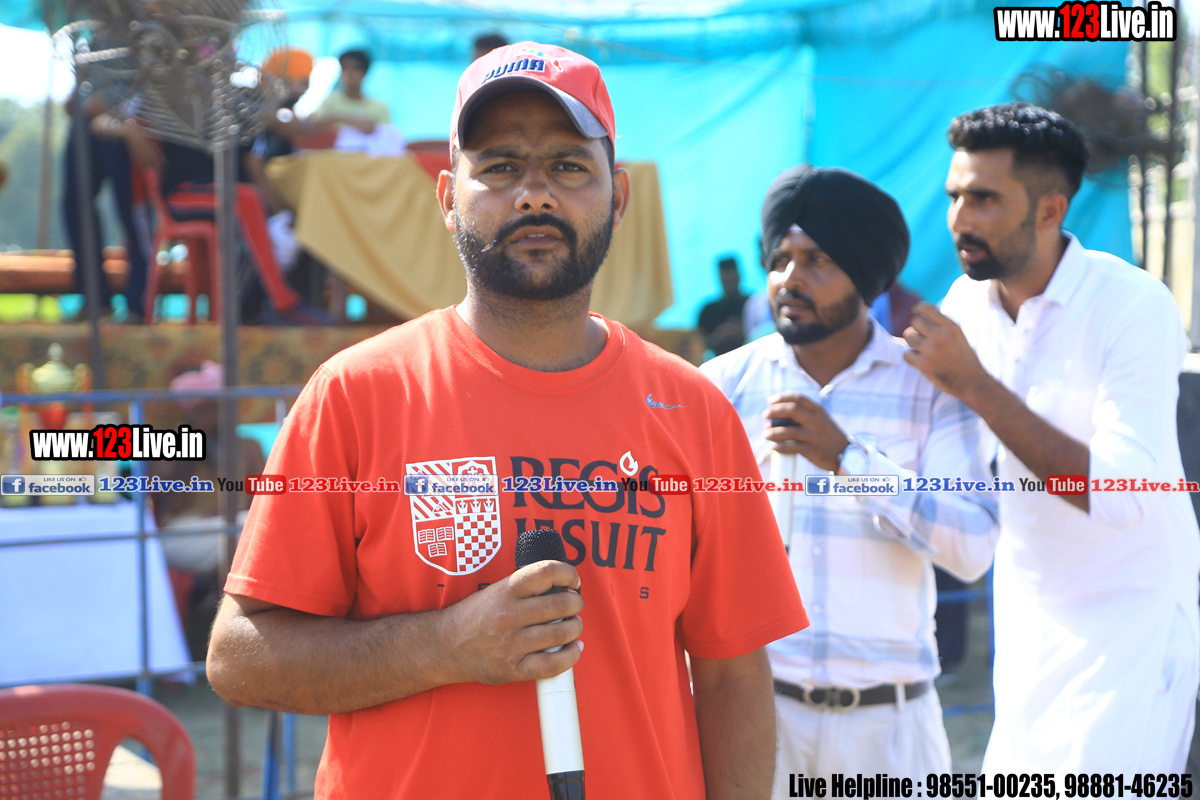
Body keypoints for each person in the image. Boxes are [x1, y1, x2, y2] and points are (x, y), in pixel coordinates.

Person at [206, 41, 808, 800]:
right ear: (446, 197)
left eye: (569, 166)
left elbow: (731, 676)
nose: (534, 195)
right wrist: (445, 645)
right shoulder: (355, 395)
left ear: (619, 196)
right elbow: (240, 658)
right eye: (498, 167)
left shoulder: (693, 412)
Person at [904, 102, 1200, 770]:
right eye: (954, 196)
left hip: (1133, 635)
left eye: (984, 199)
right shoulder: (966, 306)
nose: (959, 219)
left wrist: (977, 385)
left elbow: (1122, 495)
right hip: (1027, 628)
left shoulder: (1133, 306)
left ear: (1049, 210)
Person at [701, 166, 998, 787]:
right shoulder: (719, 388)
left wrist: (850, 460)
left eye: (818, 260)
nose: (790, 279)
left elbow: (972, 548)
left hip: (887, 730)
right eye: (779, 259)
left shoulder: (929, 389)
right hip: (758, 717)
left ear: (866, 275)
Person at [62, 87, 156, 323]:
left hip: (130, 123)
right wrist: (78, 98)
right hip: (89, 122)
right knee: (75, 206)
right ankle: (95, 299)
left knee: (133, 215)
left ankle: (138, 305)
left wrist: (116, 104)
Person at [315, 50, 391, 129]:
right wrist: (340, 119)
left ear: (365, 72)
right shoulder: (329, 102)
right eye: (345, 68)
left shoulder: (379, 108)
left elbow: (386, 133)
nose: (349, 72)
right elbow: (313, 127)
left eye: (356, 68)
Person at [697, 257, 749, 356]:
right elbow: (698, 345)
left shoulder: (753, 304)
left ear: (738, 276)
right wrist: (717, 337)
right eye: (726, 280)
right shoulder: (708, 311)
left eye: (731, 279)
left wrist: (744, 332)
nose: (729, 284)